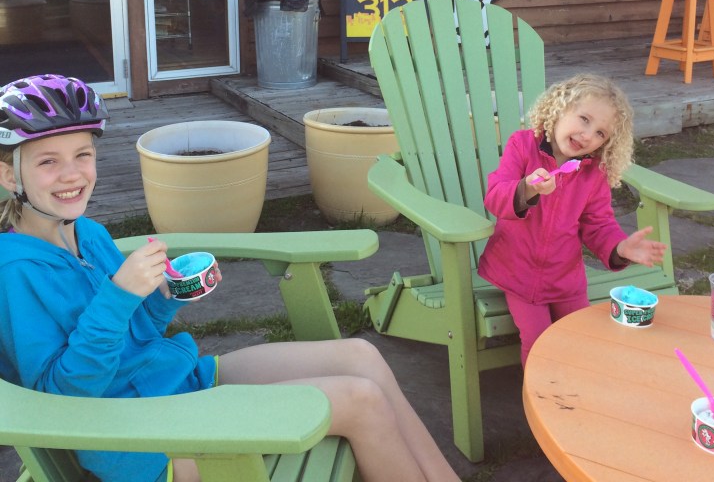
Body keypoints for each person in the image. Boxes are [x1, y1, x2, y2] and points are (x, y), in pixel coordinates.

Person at [0, 74, 460, 482]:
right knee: (359, 401)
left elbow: (134, 335)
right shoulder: (15, 272)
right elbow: (61, 396)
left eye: (82, 154)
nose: (72, 174)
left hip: (179, 387)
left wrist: (163, 296)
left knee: (361, 356)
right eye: (48, 162)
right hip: (143, 444)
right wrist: (120, 295)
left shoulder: (87, 233)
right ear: (8, 175)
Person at [478, 73, 666, 365]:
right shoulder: (523, 146)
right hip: (517, 273)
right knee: (539, 341)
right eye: (584, 119)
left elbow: (599, 224)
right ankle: (539, 392)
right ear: (559, 109)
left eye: (600, 133)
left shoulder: (594, 172)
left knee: (581, 338)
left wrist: (620, 248)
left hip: (565, 280)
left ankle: (575, 390)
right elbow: (494, 196)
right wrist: (528, 188)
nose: (588, 135)